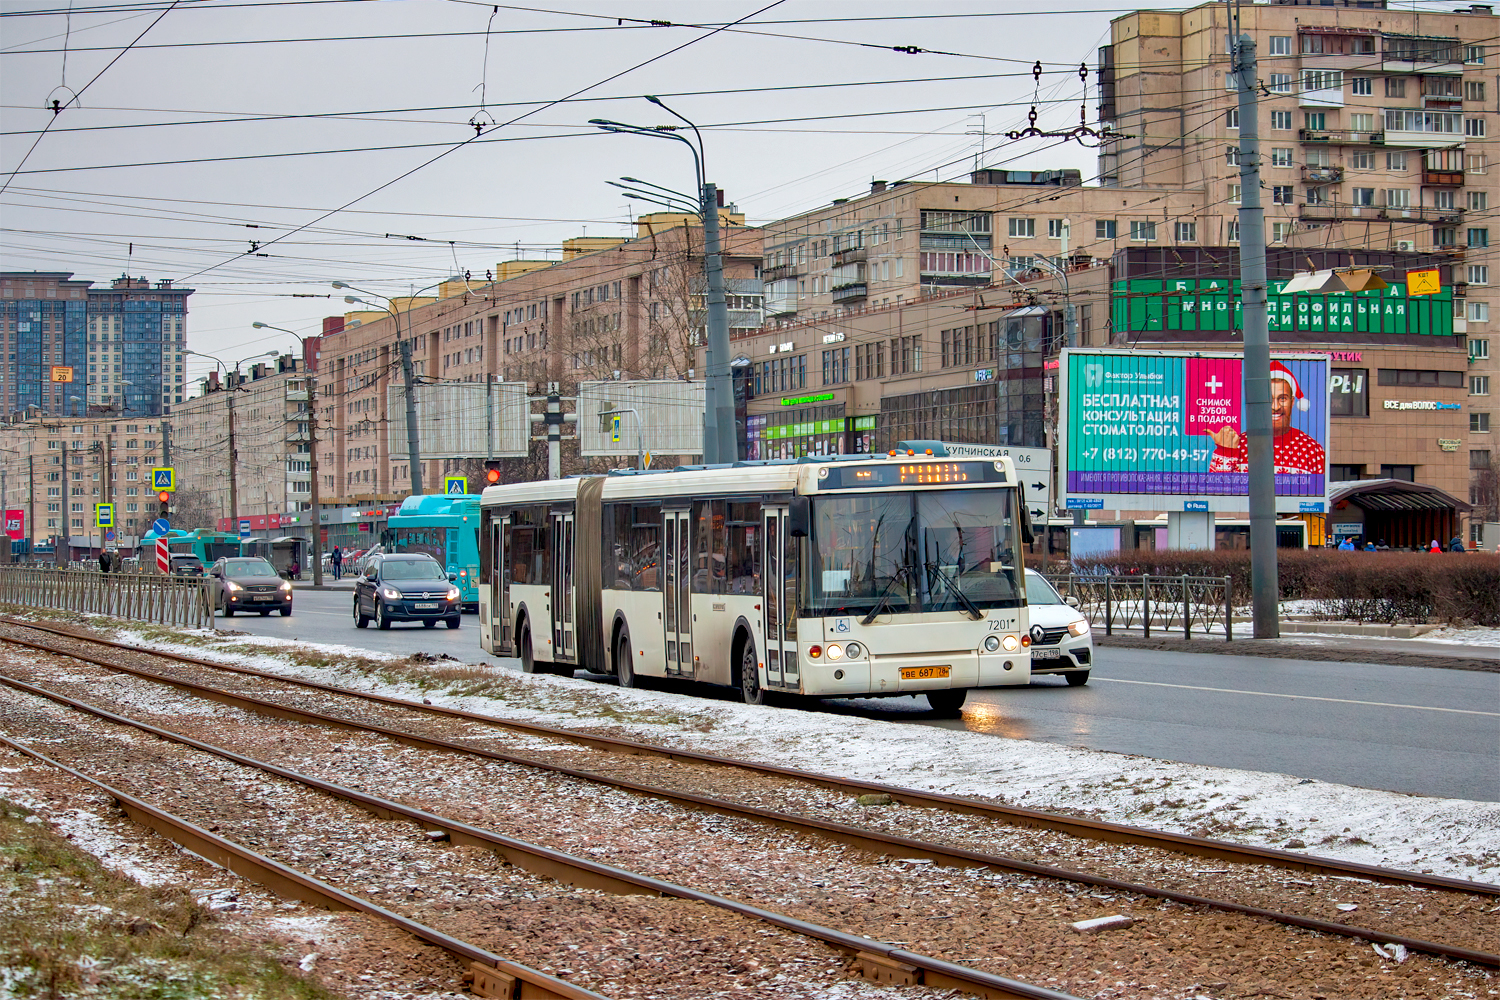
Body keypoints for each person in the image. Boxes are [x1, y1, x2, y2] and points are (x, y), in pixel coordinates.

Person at [1207, 361, 1327, 475]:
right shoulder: (1237, 445)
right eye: (1268, 399)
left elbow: (1323, 494)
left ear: (1292, 401)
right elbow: (1217, 491)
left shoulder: (1312, 449)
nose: (1275, 407)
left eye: (1283, 398)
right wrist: (1225, 452)